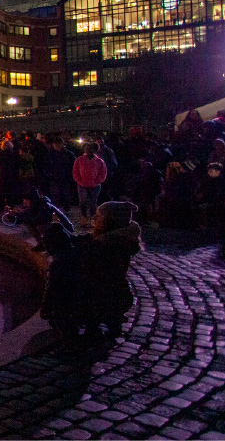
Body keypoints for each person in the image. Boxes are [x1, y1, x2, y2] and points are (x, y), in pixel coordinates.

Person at [75, 201, 143, 344]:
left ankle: (92, 332)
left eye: (99, 216)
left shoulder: (107, 245)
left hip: (105, 293)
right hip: (116, 291)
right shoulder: (114, 239)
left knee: (83, 292)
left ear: (110, 221)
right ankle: (113, 324)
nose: (95, 218)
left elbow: (89, 264)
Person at [73, 143, 108, 228]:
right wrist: (80, 181)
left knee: (93, 203)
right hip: (82, 185)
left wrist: (97, 181)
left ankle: (93, 219)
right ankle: (84, 218)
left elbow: (103, 173)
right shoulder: (79, 160)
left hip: (94, 185)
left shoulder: (99, 161)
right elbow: (75, 172)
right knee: (83, 202)